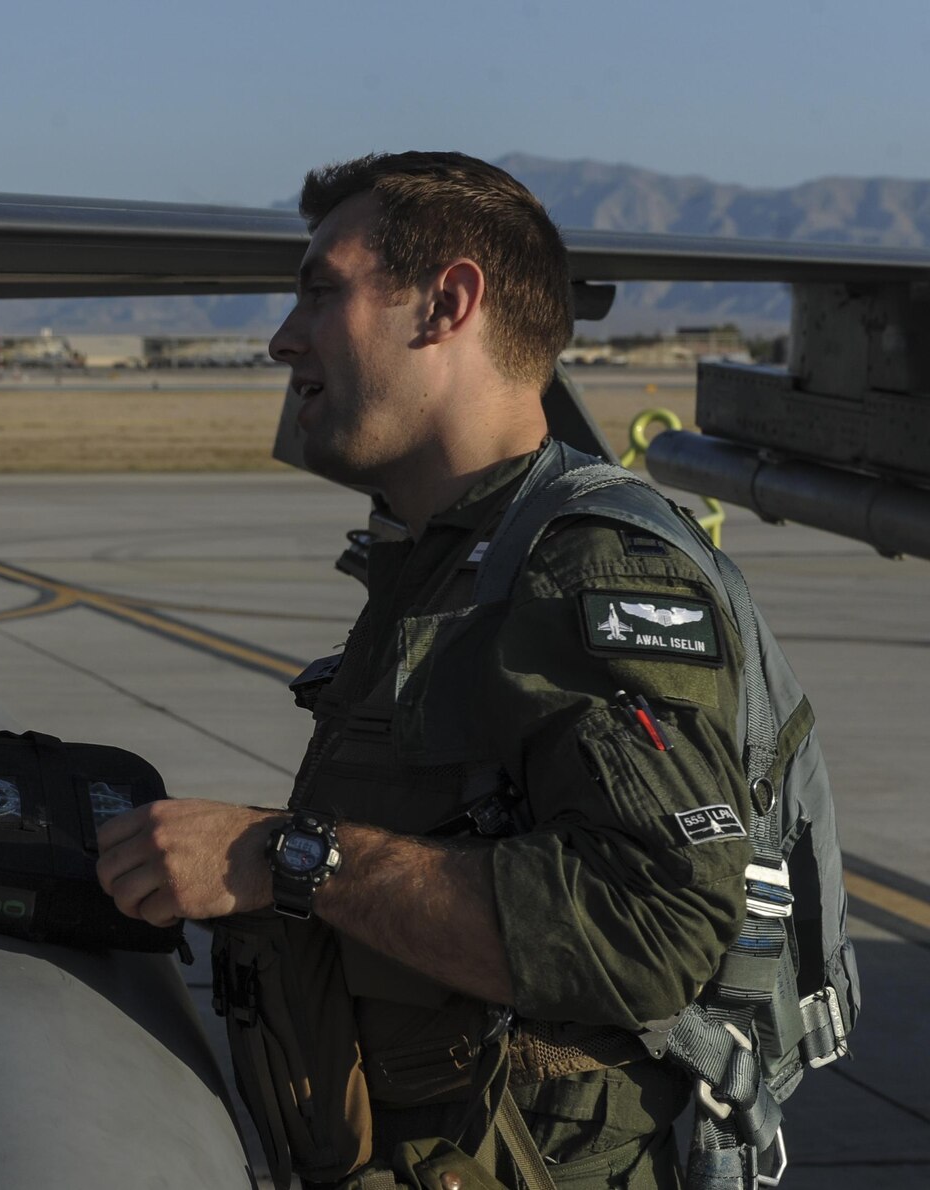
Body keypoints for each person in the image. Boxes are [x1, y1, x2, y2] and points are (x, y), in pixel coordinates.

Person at [95, 153, 758, 1188]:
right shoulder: (455, 561)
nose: (282, 336)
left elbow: (652, 923)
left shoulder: (585, 567)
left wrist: (285, 857)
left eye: (321, 289)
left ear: (446, 302)